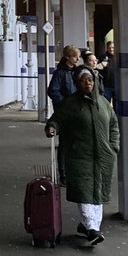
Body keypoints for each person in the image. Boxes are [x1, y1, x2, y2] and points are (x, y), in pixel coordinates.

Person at [47, 66, 119, 247]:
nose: (87, 83)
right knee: (85, 191)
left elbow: (113, 126)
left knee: (98, 193)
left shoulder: (103, 103)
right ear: (77, 83)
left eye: (90, 80)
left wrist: (113, 148)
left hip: (103, 157)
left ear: (94, 82)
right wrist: (52, 127)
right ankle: (92, 229)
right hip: (79, 155)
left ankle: (88, 226)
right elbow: (57, 119)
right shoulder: (71, 104)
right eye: (82, 81)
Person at [46, 45, 80, 184]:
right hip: (65, 112)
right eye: (75, 56)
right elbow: (52, 91)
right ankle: (64, 175)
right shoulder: (60, 73)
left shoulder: (76, 72)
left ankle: (70, 173)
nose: (78, 59)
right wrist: (66, 103)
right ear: (68, 57)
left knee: (73, 143)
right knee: (65, 144)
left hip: (75, 111)